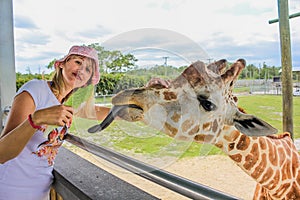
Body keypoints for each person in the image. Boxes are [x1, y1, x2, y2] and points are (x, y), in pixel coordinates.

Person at [0, 45, 111, 200]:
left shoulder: (71, 105)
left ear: (87, 81)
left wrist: (147, 96)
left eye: (87, 69)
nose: (81, 70)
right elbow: (2, 153)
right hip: (10, 188)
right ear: (62, 64)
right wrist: (37, 119)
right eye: (78, 62)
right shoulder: (35, 89)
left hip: (41, 190)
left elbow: (113, 112)